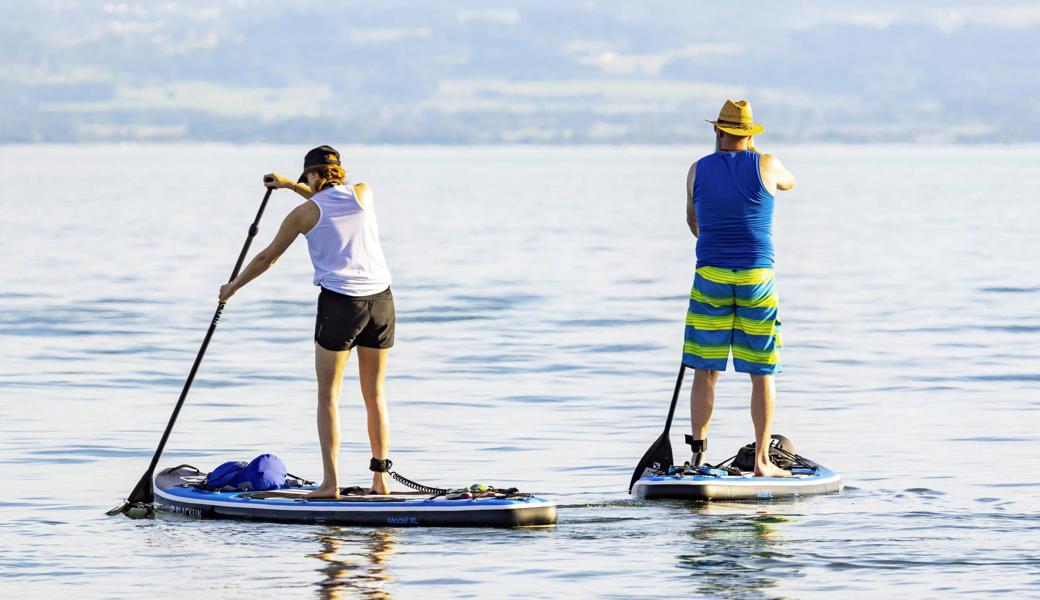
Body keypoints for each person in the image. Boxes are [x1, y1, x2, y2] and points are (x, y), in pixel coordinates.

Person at [217, 145, 394, 498]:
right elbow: (326, 197)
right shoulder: (364, 193)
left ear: (312, 175)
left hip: (341, 305)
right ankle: (381, 479)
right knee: (374, 395)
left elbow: (267, 258)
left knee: (329, 395)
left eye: (307, 179)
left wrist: (232, 287)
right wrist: (287, 185)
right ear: (339, 171)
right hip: (382, 302)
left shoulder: (303, 214)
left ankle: (330, 484)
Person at [683, 99, 796, 477]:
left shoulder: (697, 169)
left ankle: (697, 458)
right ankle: (763, 461)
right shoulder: (768, 163)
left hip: (711, 275)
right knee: (762, 371)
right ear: (749, 135)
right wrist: (754, 155)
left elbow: (694, 223)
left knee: (704, 368)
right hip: (756, 279)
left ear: (717, 131)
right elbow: (789, 183)